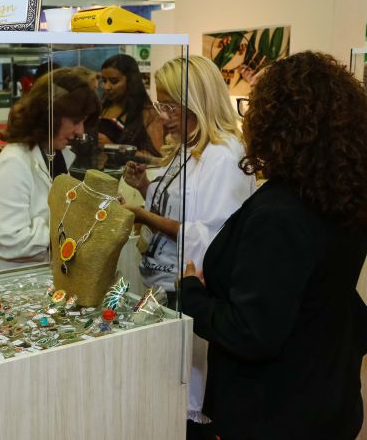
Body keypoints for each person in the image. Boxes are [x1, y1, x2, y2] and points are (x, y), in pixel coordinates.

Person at [180, 51, 367, 440]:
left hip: (276, 411)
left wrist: (192, 296)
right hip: (330, 395)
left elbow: (253, 333)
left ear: (274, 122)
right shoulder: (345, 197)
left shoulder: (279, 213)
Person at [122, 55, 255, 437]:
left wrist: (143, 216)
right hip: (166, 284)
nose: (162, 116)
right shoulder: (189, 148)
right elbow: (182, 208)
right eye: (160, 104)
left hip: (193, 291)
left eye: (170, 106)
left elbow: (212, 238)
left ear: (196, 101)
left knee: (187, 398)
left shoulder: (224, 156)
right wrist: (146, 188)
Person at [0, 67, 100, 272]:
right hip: (6, 279)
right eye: (76, 121)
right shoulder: (15, 162)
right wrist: (68, 231)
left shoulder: (56, 154)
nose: (80, 131)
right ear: (50, 115)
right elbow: (6, 239)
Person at [99, 53, 163, 156]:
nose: (106, 87)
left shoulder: (148, 114)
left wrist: (113, 147)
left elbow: (157, 158)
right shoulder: (102, 107)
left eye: (114, 81)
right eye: (104, 80)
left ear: (131, 80)